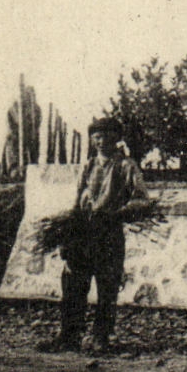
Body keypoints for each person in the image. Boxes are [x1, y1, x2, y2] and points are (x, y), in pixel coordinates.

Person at [40, 117, 148, 354]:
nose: (101, 141)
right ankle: (69, 335)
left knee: (107, 286)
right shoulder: (89, 166)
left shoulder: (126, 166)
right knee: (73, 283)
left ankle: (101, 337)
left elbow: (142, 199)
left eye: (106, 136)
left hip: (109, 231)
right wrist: (69, 225)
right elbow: (78, 200)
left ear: (116, 138)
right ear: (91, 140)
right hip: (84, 232)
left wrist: (119, 213)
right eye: (96, 136)